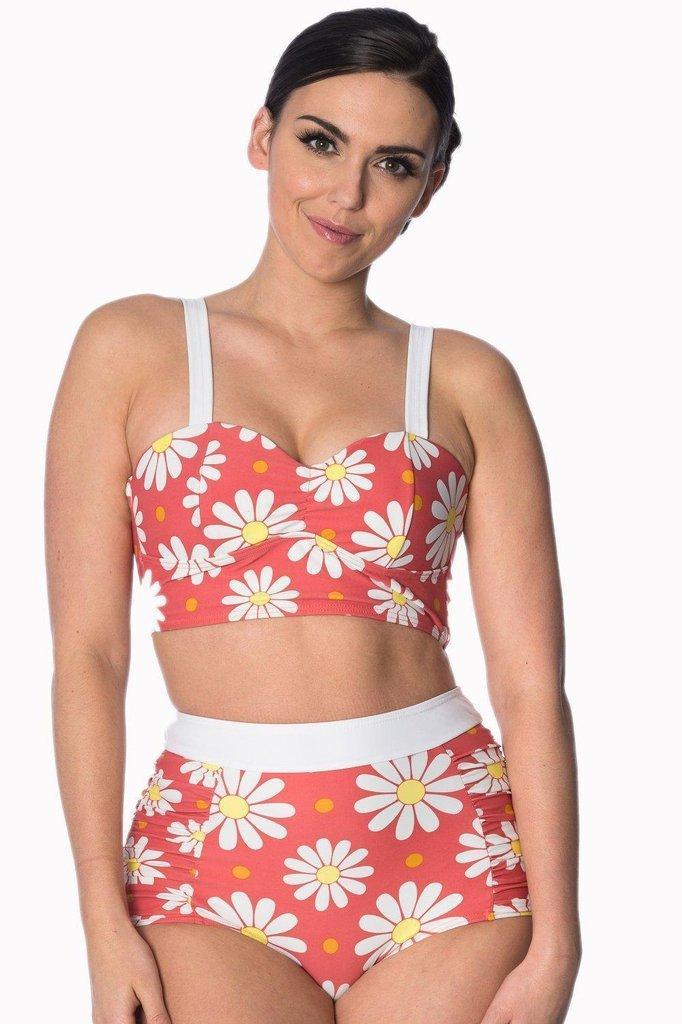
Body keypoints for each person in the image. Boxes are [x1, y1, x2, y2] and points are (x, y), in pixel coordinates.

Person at [45, 8, 581, 1023]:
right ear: (263, 136)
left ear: (431, 185)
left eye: (393, 164)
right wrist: (99, 919)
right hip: (210, 851)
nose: (346, 195)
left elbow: (529, 681)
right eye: (321, 142)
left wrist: (559, 940)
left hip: (445, 841)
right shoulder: (130, 347)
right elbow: (88, 657)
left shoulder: (466, 379)